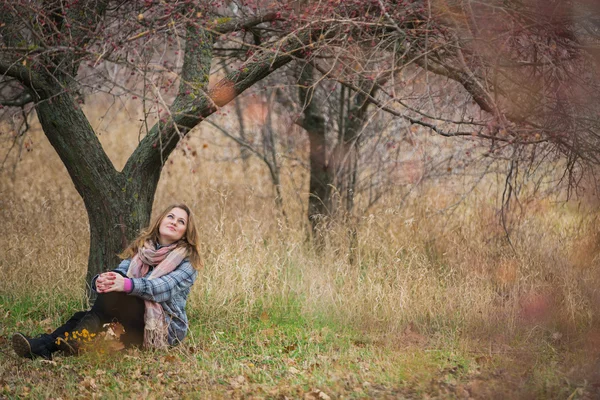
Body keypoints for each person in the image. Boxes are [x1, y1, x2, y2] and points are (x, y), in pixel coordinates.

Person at [12, 203, 202, 359]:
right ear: (161, 220)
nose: (174, 222)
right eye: (170, 216)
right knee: (84, 314)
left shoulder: (188, 262)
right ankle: (47, 346)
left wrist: (125, 284)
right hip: (134, 315)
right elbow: (119, 272)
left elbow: (160, 289)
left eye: (181, 221)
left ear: (186, 232)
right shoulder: (143, 249)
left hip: (163, 327)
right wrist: (101, 281)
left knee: (119, 289)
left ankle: (61, 342)